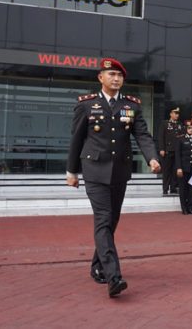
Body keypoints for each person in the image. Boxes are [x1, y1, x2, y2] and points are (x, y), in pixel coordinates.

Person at [66, 57, 161, 298]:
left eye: (120, 76)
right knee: (104, 218)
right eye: (111, 75)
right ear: (101, 78)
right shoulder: (86, 105)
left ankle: (97, 265)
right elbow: (76, 139)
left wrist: (151, 157)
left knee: (112, 220)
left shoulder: (132, 105)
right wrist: (71, 171)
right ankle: (113, 276)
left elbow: (143, 135)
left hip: (120, 171)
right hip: (94, 170)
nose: (116, 79)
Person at [158, 107, 183, 195]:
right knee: (166, 171)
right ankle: (165, 189)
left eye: (178, 113)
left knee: (175, 170)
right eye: (175, 113)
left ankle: (173, 188)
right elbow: (161, 137)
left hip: (177, 151)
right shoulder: (165, 123)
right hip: (168, 150)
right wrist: (161, 148)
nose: (177, 115)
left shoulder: (180, 124)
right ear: (170, 114)